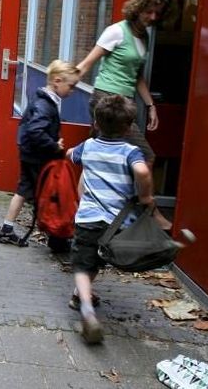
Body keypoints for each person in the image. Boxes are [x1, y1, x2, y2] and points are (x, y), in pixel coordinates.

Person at [67, 94, 163, 344]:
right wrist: (145, 196)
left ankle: (86, 306)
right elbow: (142, 171)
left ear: (96, 123)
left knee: (82, 263)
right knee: (96, 261)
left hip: (88, 217)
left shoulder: (87, 146)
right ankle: (81, 294)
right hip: (116, 223)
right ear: (129, 127)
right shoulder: (131, 152)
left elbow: (70, 155)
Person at [75, 0, 170, 164]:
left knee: (101, 156)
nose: (153, 18)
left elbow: (137, 76)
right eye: (149, 12)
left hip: (125, 103)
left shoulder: (144, 37)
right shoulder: (116, 31)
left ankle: (98, 191)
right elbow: (87, 64)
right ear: (138, 8)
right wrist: (60, 84)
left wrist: (151, 106)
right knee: (145, 156)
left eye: (157, 13)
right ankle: (142, 193)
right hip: (105, 100)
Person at [0, 60, 80, 246]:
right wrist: (54, 146)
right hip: (37, 157)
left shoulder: (44, 100)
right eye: (71, 86)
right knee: (48, 193)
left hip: (29, 153)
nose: (73, 90)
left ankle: (6, 228)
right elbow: (36, 131)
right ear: (57, 81)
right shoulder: (45, 104)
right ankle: (56, 235)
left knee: (23, 190)